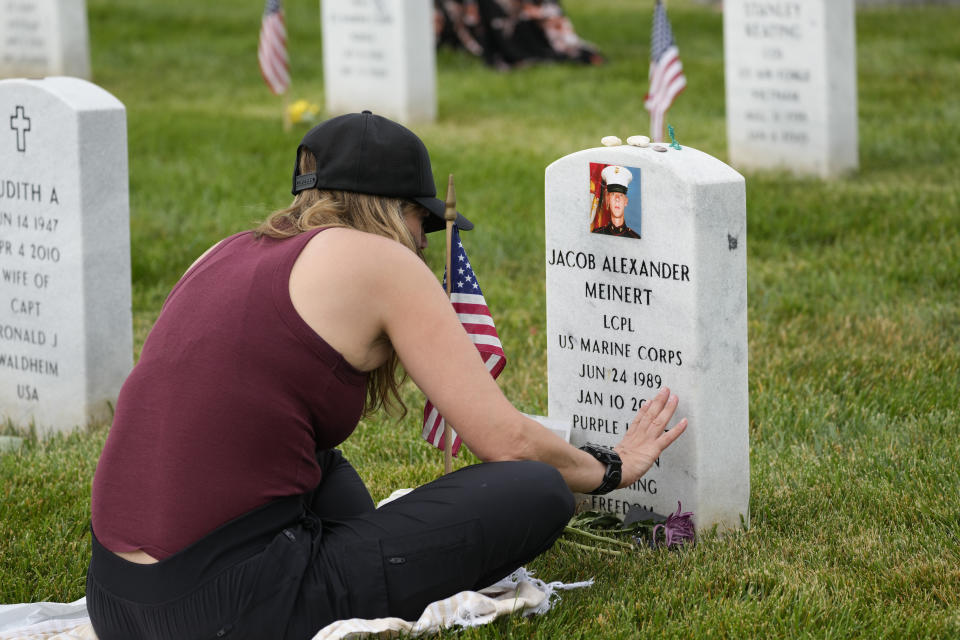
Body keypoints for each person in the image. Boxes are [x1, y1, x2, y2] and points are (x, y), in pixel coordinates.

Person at [86, 111, 686, 640]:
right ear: (395, 210)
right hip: (226, 613)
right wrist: (610, 468)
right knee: (537, 488)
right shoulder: (381, 258)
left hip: (115, 601)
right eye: (424, 223)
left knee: (322, 463)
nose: (425, 242)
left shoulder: (223, 251)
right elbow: (505, 441)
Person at [592, 164, 641, 239]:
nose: (617, 199)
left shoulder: (635, 237)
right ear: (608, 200)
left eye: (621, 195)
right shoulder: (596, 233)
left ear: (626, 201)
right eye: (613, 194)